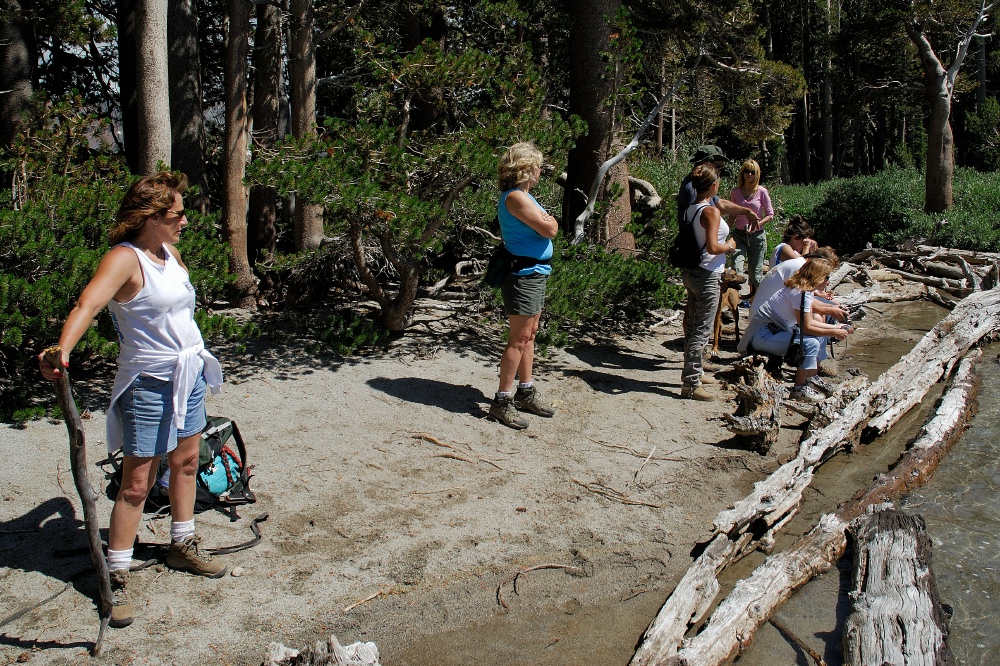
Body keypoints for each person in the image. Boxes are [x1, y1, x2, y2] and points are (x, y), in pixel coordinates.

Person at [38, 172, 226, 628]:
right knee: (137, 484)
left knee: (185, 464)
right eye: (177, 213)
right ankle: (116, 573)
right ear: (151, 217)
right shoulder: (125, 259)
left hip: (189, 374)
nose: (185, 220)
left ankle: (182, 544)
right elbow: (88, 305)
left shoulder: (170, 254)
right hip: (148, 382)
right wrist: (61, 350)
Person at [488, 142, 558, 429]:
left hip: (534, 272)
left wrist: (547, 221)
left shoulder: (525, 197)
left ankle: (525, 391)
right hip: (523, 276)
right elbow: (551, 228)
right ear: (527, 168)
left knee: (530, 335)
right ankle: (502, 401)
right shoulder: (516, 198)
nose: (541, 170)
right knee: (518, 339)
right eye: (538, 165)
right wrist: (548, 221)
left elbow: (548, 225)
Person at [739, 259, 853, 402]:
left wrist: (836, 327)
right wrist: (834, 332)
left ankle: (811, 379)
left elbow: (809, 323)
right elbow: (806, 327)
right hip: (762, 335)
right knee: (811, 343)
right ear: (817, 277)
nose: (828, 282)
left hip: (773, 331)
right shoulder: (800, 293)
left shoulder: (804, 290)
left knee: (818, 338)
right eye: (827, 277)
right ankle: (799, 389)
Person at [680, 164, 737, 401]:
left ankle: (698, 372)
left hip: (692, 272)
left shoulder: (691, 208)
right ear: (714, 186)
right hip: (707, 274)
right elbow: (714, 246)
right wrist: (731, 246)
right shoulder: (710, 212)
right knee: (701, 330)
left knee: (694, 325)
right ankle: (691, 384)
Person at [728, 159, 774, 303]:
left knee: (756, 274)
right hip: (739, 235)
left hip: (757, 236)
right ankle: (734, 301)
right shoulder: (736, 192)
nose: (749, 174)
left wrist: (757, 224)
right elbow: (733, 214)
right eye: (746, 171)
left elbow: (770, 215)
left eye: (752, 172)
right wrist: (724, 231)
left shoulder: (762, 192)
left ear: (756, 174)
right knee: (736, 267)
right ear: (742, 173)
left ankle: (758, 303)